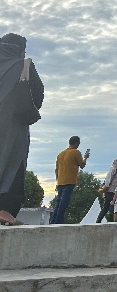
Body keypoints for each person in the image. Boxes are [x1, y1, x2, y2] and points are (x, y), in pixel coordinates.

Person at [0, 33, 44, 226]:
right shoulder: (22, 64)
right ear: (20, 49)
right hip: (12, 125)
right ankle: (3, 210)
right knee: (12, 162)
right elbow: (37, 95)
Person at [51, 136, 89, 224]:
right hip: (70, 180)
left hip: (60, 181)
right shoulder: (75, 152)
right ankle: (59, 222)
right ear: (76, 143)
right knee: (64, 203)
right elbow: (82, 165)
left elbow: (56, 169)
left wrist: (57, 179)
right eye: (78, 143)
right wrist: (86, 157)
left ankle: (53, 221)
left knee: (58, 202)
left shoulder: (61, 154)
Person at [97, 157, 117, 223]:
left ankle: (103, 220)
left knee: (111, 207)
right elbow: (108, 181)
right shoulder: (113, 169)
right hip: (110, 191)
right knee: (110, 206)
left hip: (116, 191)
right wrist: (104, 189)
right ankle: (101, 221)